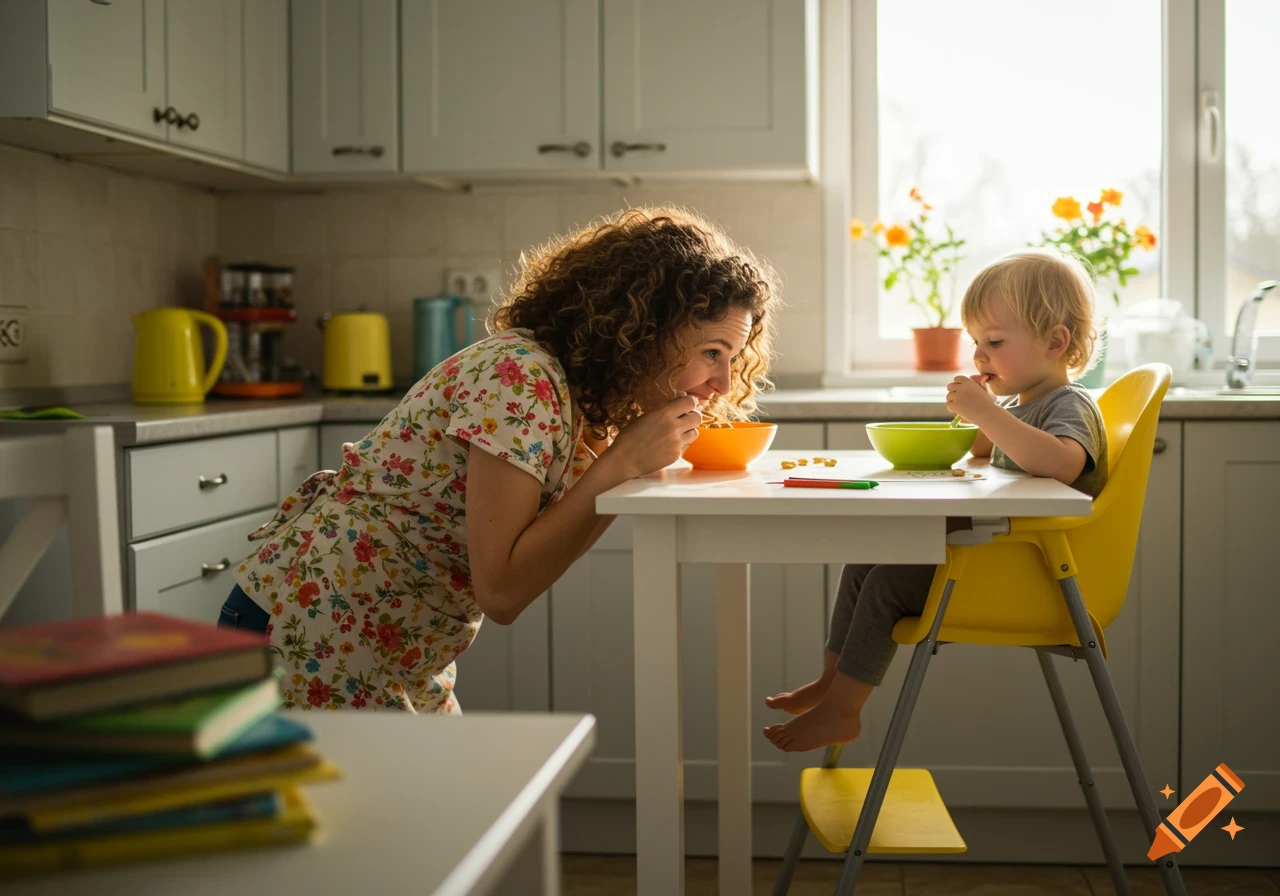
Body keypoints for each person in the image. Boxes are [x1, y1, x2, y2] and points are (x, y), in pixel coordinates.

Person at [218, 206, 779, 713]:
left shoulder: (584, 403)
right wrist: (619, 466)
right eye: (711, 353)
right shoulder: (521, 378)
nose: (723, 382)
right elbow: (504, 591)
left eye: (732, 358)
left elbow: (550, 545)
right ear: (644, 332)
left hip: (389, 646)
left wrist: (624, 463)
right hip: (309, 626)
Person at [764, 248, 1108, 752]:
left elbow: (1060, 464)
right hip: (995, 554)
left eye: (993, 341)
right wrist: (977, 422)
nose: (980, 355)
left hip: (1027, 571)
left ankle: (843, 712)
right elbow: (991, 453)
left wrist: (989, 415)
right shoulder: (1022, 406)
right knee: (864, 562)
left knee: (886, 584)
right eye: (975, 342)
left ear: (1057, 341)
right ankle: (832, 682)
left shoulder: (1070, 405)